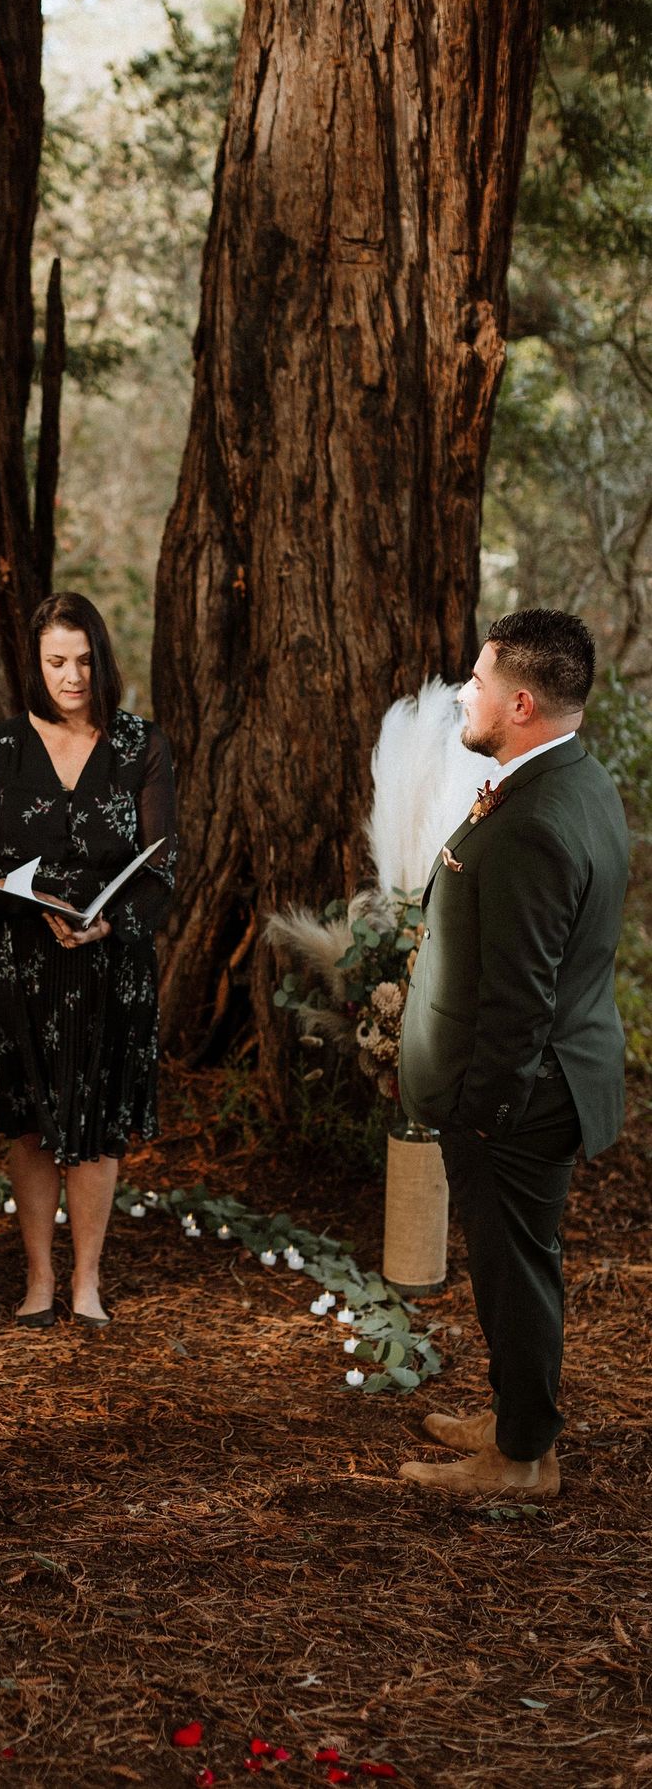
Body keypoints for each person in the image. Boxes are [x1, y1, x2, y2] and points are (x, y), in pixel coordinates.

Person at [397, 609, 629, 1500]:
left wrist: (486, 1112)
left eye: (480, 681)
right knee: (514, 1265)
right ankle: (514, 1413)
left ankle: (523, 1457)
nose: (465, 690)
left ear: (521, 702)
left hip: (520, 1100)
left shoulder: (534, 818)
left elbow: (520, 999)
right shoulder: (572, 776)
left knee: (517, 1271)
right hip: (547, 1079)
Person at [0, 592, 176, 1328]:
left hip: (110, 966)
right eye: (55, 661)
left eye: (82, 659)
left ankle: (87, 1282)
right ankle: (40, 1279)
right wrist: (24, 896)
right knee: (32, 1122)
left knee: (99, 1122)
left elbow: (163, 866)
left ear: (101, 658)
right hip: (19, 966)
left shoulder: (141, 744)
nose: (71, 676)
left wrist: (111, 923)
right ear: (35, 664)